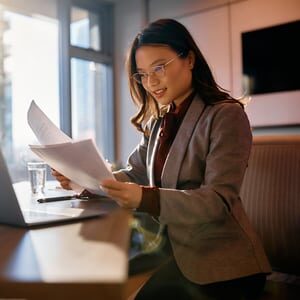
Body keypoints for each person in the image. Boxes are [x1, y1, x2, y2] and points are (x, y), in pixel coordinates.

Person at [52, 19, 271, 299]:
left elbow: (217, 201)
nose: (150, 82)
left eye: (159, 68)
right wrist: (83, 178)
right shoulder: (159, 122)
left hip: (223, 264)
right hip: (174, 255)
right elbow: (134, 174)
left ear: (189, 59)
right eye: (142, 74)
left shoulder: (225, 115)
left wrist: (146, 198)